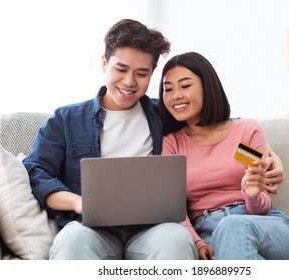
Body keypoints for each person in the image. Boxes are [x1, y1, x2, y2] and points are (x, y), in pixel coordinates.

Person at [23, 19, 198, 260]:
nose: (129, 82)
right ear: (104, 63)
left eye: (141, 73)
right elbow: (35, 171)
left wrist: (264, 156)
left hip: (154, 228)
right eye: (121, 69)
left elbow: (222, 128)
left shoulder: (167, 115)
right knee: (71, 242)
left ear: (152, 74)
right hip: (89, 228)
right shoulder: (66, 120)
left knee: (177, 240)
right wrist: (77, 202)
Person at [159, 52, 289, 260]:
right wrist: (196, 242)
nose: (175, 95)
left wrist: (251, 195)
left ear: (208, 86)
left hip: (264, 226)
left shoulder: (244, 133)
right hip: (209, 233)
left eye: (185, 86)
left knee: (232, 225)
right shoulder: (172, 144)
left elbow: (262, 204)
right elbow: (172, 206)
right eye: (168, 89)